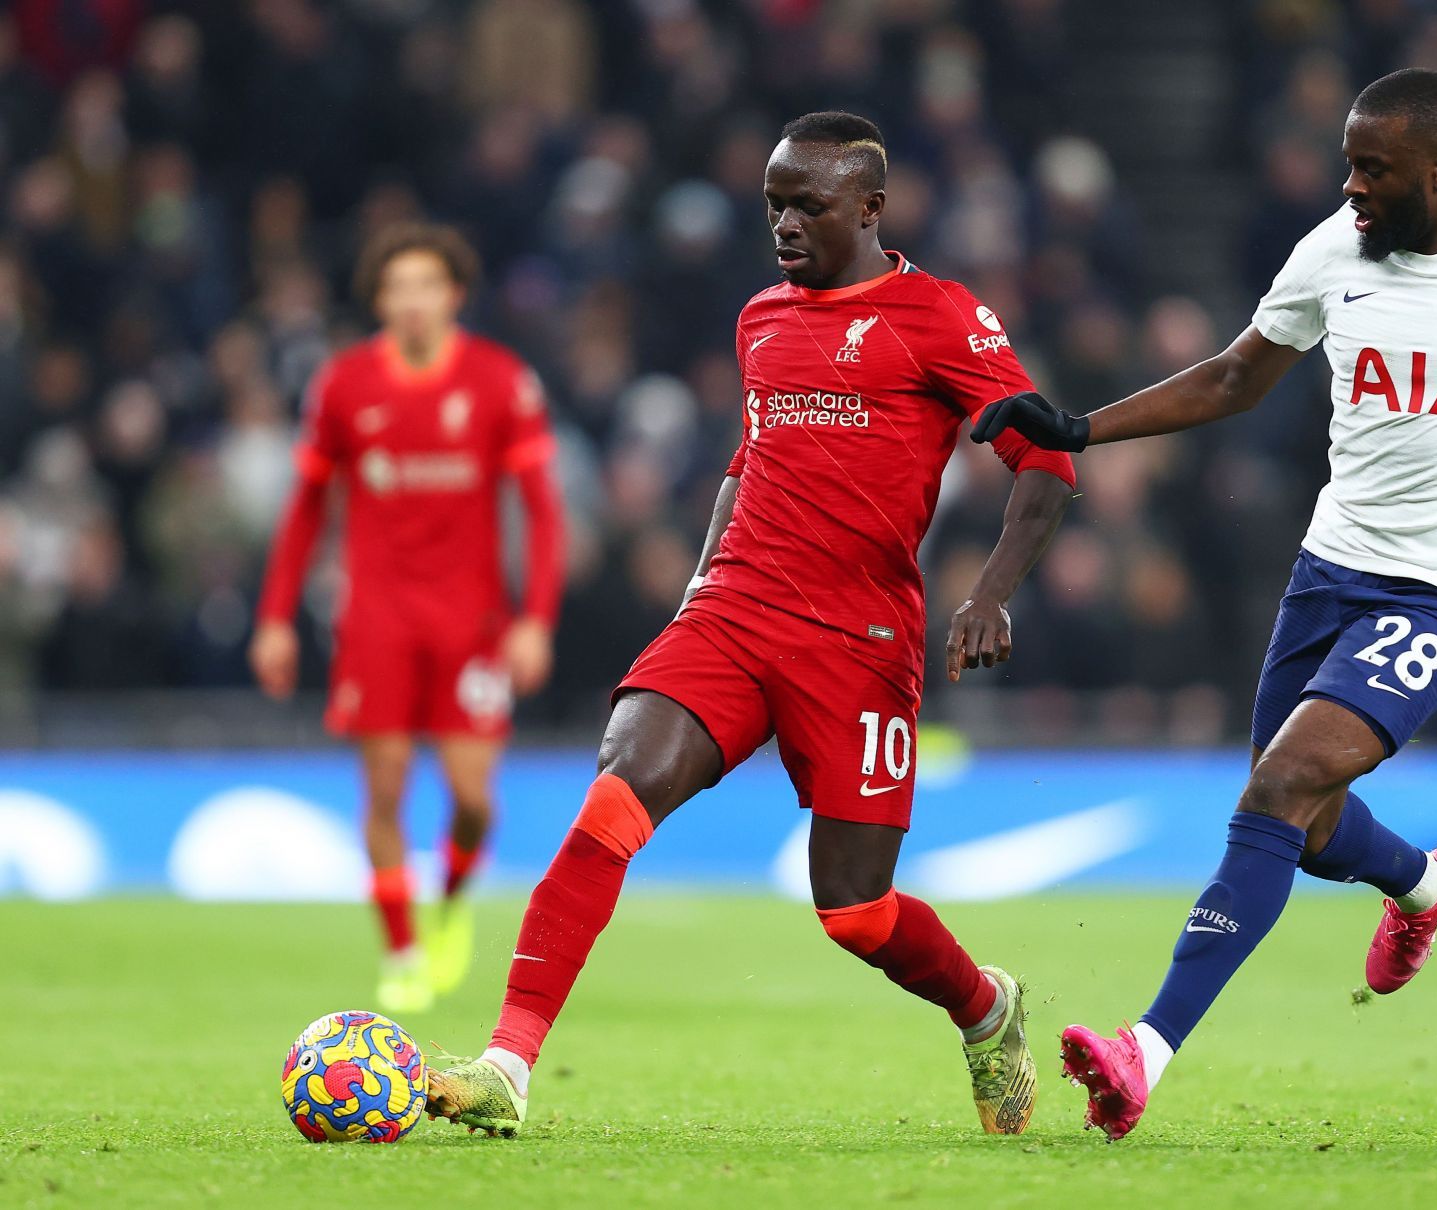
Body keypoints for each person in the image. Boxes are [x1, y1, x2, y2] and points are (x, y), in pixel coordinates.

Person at [973, 69, 1437, 1140]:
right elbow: (1238, 377)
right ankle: (1423, 882)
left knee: (1281, 782)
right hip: (1332, 568)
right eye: (1349, 163)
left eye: (1374, 168)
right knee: (1303, 821)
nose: (1352, 184)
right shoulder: (1334, 252)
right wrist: (1080, 428)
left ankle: (1145, 1050)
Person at [425, 112, 1076, 1138]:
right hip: (736, 610)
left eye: (805, 205)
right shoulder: (761, 316)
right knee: (613, 796)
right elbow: (750, 454)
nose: (780, 222)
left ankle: (985, 1008)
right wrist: (699, 587)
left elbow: (1047, 459)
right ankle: (508, 1062)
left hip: (858, 640)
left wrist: (990, 590)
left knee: (856, 911)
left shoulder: (939, 316)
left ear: (869, 208)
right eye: (772, 201)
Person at [251, 224, 564, 1014]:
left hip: (473, 623)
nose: (413, 301)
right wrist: (276, 616)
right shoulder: (345, 386)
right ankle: (400, 949)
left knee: (472, 798)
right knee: (384, 788)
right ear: (381, 299)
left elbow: (543, 512)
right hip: (378, 617)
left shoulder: (499, 381)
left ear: (453, 295)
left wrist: (536, 618)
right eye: (398, 287)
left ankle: (452, 902)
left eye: (428, 285)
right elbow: (304, 511)